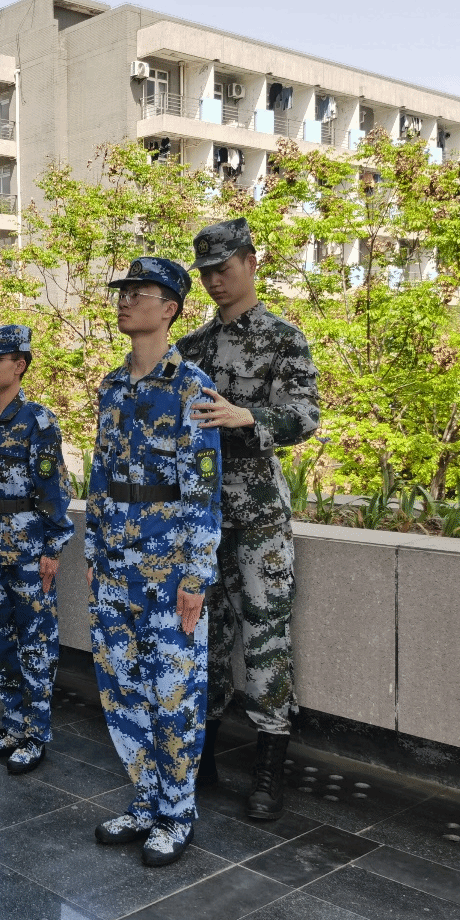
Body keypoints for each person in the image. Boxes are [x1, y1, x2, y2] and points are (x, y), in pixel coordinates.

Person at [177, 217, 321, 821]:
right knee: (203, 637)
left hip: (259, 517)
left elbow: (306, 417)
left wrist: (249, 418)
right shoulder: (191, 348)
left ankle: (268, 768)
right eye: (206, 272)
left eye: (224, 268)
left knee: (266, 636)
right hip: (204, 516)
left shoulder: (283, 338)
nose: (215, 280)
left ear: (251, 263)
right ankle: (203, 756)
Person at [85, 256, 222, 867]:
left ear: (169, 309)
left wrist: (196, 576)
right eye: (122, 292)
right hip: (115, 565)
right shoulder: (112, 387)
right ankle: (145, 800)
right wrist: (94, 551)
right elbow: (99, 474)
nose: (124, 301)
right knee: (122, 691)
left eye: (138, 293)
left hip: (169, 570)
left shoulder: (191, 387)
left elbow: (203, 491)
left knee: (174, 694)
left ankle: (177, 812)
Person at [0, 324, 74, 775]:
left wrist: (53, 547)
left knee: (36, 642)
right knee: (1, 641)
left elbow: (54, 488)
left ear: (20, 365)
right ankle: (12, 724)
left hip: (28, 550)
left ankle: (36, 733)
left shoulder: (37, 421)